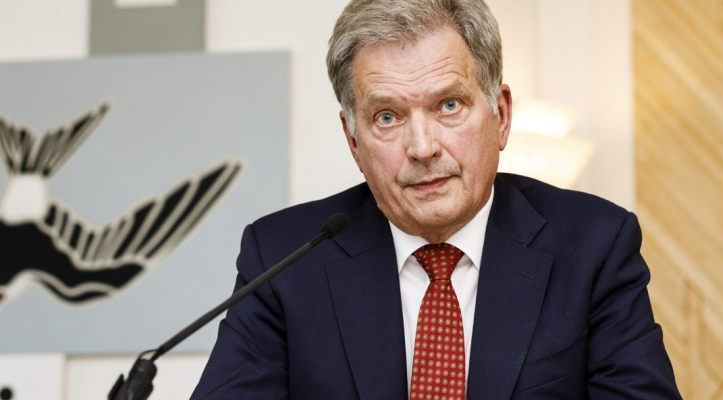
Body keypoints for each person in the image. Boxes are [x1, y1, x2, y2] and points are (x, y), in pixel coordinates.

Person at [192, 0, 681, 398]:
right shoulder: (283, 259)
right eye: (387, 117)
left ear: (501, 115)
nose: (423, 148)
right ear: (353, 140)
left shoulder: (593, 246)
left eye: (449, 105)